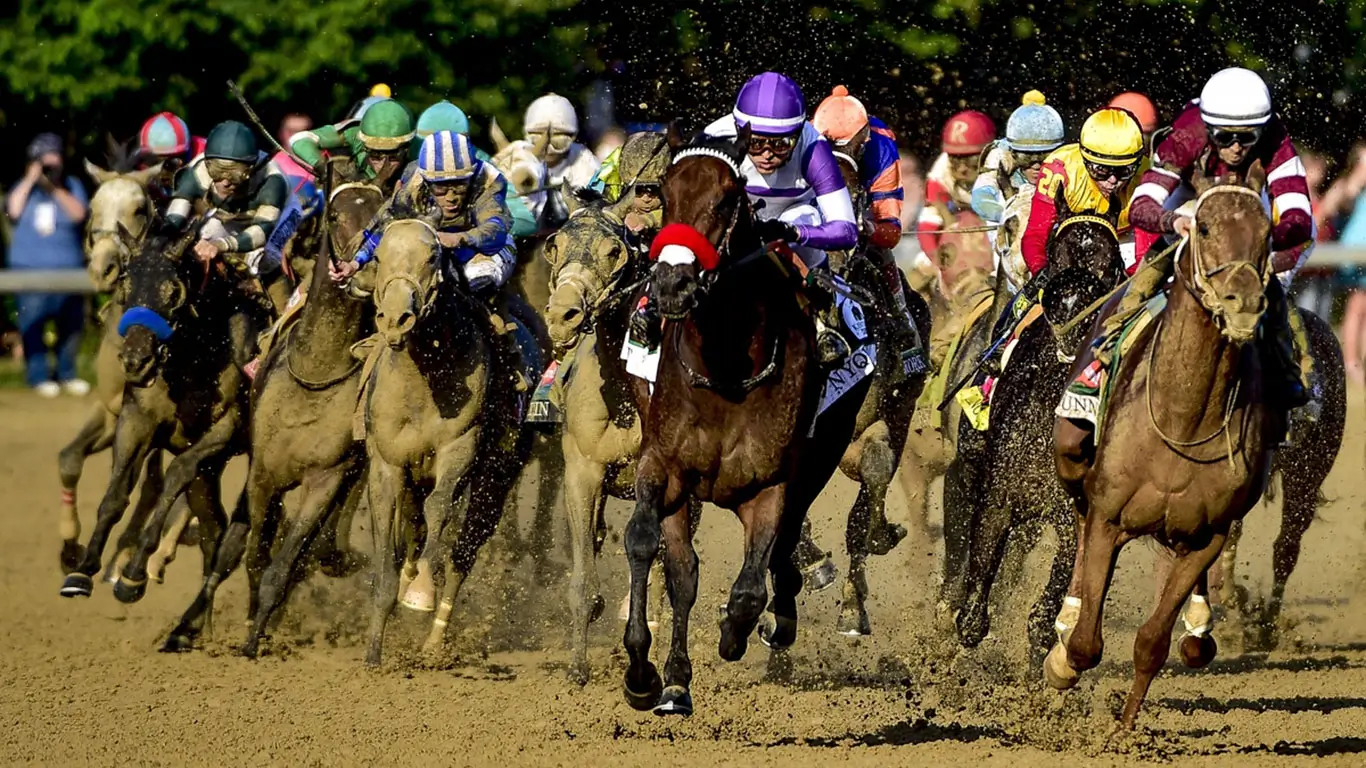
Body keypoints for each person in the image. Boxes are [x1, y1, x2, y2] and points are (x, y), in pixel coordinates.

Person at [1119, 67, 1314, 409]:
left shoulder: (1276, 138)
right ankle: (1100, 364)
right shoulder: (1186, 135)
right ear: (1207, 129)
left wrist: (1262, 243)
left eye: (1247, 138)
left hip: (1249, 211)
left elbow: (1300, 220)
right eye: (1224, 138)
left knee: (1269, 292)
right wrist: (1171, 220)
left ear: (1262, 130)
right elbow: (1141, 206)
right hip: (1190, 204)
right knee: (1140, 285)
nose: (1237, 148)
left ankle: (1293, 371)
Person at [331, 130, 534, 387]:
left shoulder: (489, 179)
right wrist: (355, 262)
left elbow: (494, 227)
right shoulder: (414, 180)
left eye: (459, 185)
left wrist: (459, 239)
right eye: (441, 187)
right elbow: (384, 226)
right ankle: (380, 336)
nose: (451, 196)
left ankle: (506, 351)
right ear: (427, 181)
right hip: (432, 244)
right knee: (370, 280)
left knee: (479, 279)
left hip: (487, 249)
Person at [699, 71, 859, 363]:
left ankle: (822, 320)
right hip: (733, 224)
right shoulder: (715, 138)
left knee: (807, 215)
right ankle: (654, 310)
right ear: (739, 130)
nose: (768, 154)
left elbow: (847, 230)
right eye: (757, 143)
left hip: (790, 227)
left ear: (799, 135)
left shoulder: (814, 148)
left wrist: (794, 232)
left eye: (781, 144)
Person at [164, 120, 291, 376]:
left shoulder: (272, 180)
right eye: (217, 171)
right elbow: (175, 216)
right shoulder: (197, 170)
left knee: (262, 260)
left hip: (274, 219)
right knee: (200, 237)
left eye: (234, 173)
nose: (224, 181)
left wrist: (221, 245)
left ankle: (284, 333)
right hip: (229, 216)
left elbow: (259, 235)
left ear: (252, 167)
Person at [811, 84, 918, 339]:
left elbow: (891, 231)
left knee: (882, 253)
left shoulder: (880, 146)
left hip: (865, 203)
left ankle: (902, 320)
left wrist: (868, 228)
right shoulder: (803, 141)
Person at [6, 133, 90, 397]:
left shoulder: (71, 185)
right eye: (45, 162)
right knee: (32, 324)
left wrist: (55, 187)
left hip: (69, 272)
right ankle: (38, 376)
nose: (50, 168)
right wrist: (32, 178)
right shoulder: (24, 188)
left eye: (55, 161)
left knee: (71, 327)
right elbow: (13, 211)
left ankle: (67, 374)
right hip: (28, 272)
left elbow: (79, 214)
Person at [970, 90, 1066, 288]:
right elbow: (980, 198)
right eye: (1027, 158)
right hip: (1011, 225)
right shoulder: (999, 154)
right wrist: (1012, 215)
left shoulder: (1067, 158)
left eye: (1044, 157)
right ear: (1013, 151)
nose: (1037, 166)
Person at [288, 98, 419, 189]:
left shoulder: (421, 148)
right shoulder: (354, 133)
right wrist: (326, 169)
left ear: (408, 146)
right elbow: (300, 140)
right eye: (375, 155)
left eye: (393, 156)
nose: (383, 165)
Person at [918, 110, 996, 257]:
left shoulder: (1004, 168)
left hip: (996, 237)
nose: (960, 168)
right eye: (955, 159)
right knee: (919, 270)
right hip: (960, 237)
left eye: (968, 160)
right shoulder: (940, 173)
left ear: (989, 153)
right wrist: (936, 261)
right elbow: (927, 226)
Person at [523, 93, 601, 224]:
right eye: (538, 137)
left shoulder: (585, 163)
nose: (547, 146)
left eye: (558, 138)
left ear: (573, 136)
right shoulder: (517, 161)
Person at [137, 112, 207, 204]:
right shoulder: (137, 165)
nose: (162, 172)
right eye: (154, 163)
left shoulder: (205, 156)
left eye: (171, 163)